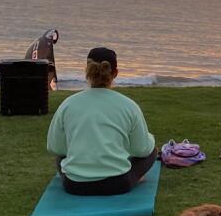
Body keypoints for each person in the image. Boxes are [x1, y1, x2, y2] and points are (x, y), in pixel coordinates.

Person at [46, 46, 157, 195]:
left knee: (60, 156)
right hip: (117, 185)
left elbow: (55, 147)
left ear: (87, 71)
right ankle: (136, 178)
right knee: (153, 151)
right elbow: (142, 149)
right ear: (115, 73)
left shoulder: (68, 104)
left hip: (75, 186)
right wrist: (149, 139)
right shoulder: (129, 106)